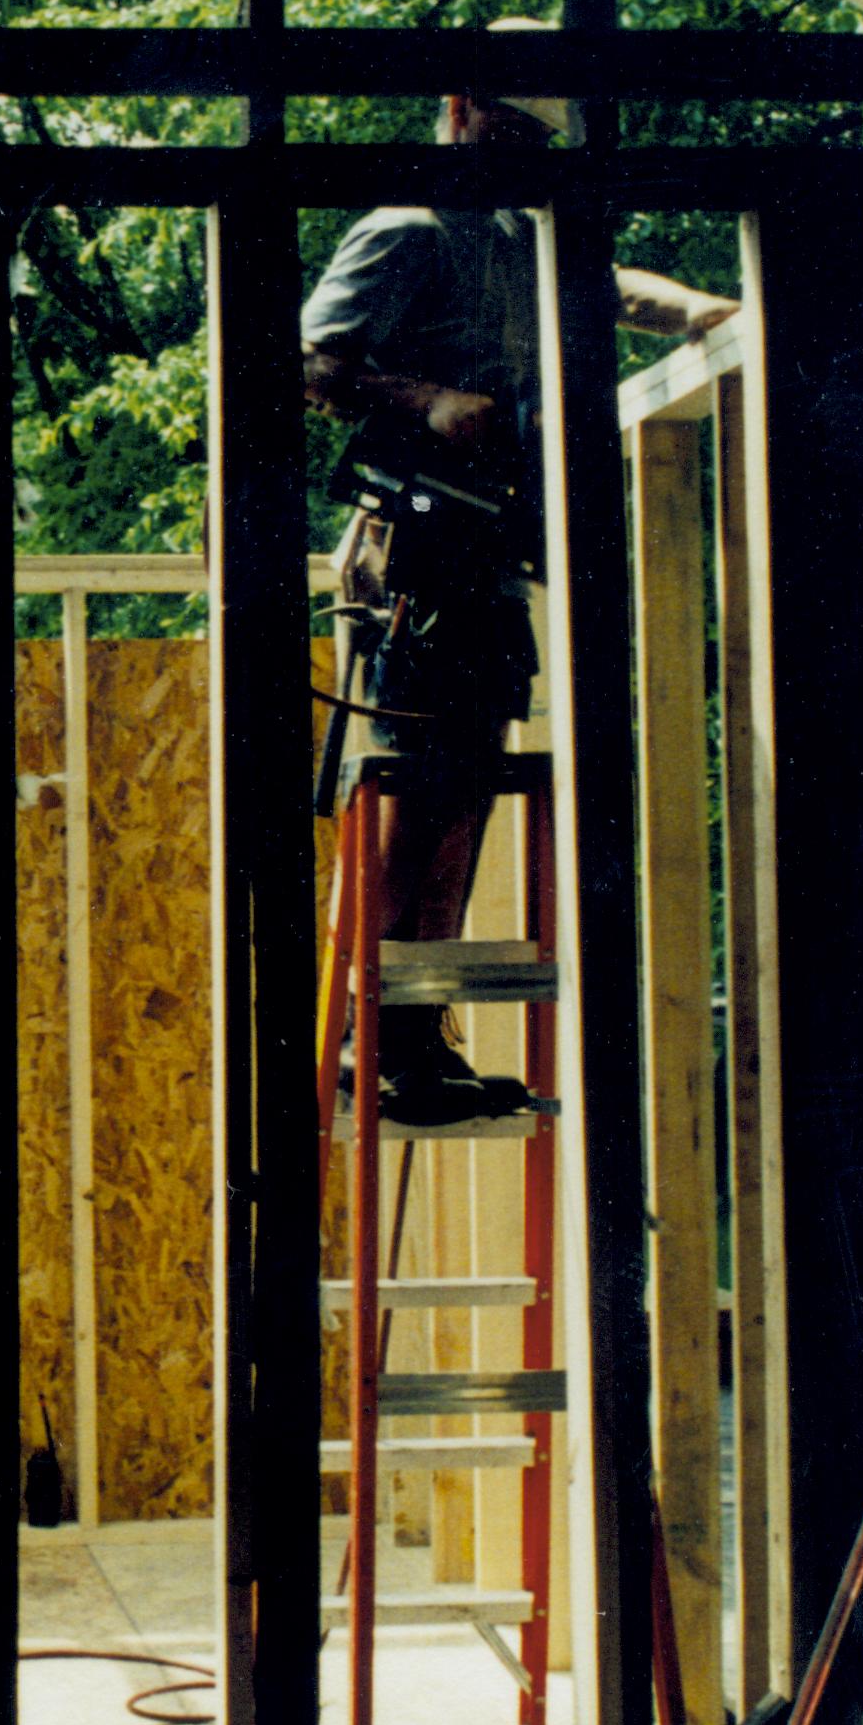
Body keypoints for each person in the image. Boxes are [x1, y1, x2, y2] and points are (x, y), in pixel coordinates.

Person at [301, 68, 737, 1123]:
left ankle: (415, 1029)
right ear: (455, 110)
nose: (516, 163)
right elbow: (308, 364)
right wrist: (429, 398)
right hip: (411, 549)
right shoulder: (408, 230)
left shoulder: (520, 236)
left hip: (482, 548)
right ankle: (372, 1027)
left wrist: (699, 312)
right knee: (416, 795)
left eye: (533, 150)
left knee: (465, 789)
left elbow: (603, 278)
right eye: (502, 135)